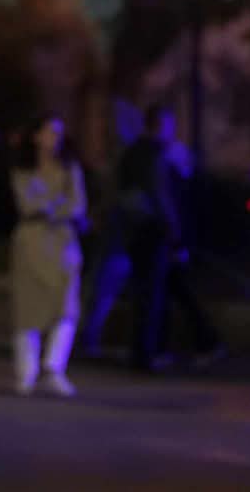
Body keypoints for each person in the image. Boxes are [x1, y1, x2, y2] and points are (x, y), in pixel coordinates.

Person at [81, 105, 184, 370]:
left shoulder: (129, 153)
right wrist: (174, 233)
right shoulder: (155, 155)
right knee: (149, 294)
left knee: (111, 288)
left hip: (125, 229)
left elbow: (115, 188)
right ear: (161, 125)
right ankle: (145, 354)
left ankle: (92, 340)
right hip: (149, 230)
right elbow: (161, 195)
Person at [9, 117, 87, 396]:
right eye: (49, 132)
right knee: (28, 308)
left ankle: (54, 368)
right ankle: (26, 373)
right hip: (31, 240)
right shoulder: (23, 170)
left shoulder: (70, 169)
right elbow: (28, 204)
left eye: (58, 133)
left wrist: (53, 207)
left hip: (63, 242)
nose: (54, 138)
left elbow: (77, 205)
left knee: (65, 306)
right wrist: (55, 204)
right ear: (36, 136)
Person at [159, 130, 228, 368]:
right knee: (178, 295)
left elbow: (182, 217)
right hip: (178, 247)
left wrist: (180, 245)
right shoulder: (181, 184)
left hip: (178, 248)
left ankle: (207, 342)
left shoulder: (180, 186)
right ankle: (202, 343)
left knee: (182, 296)